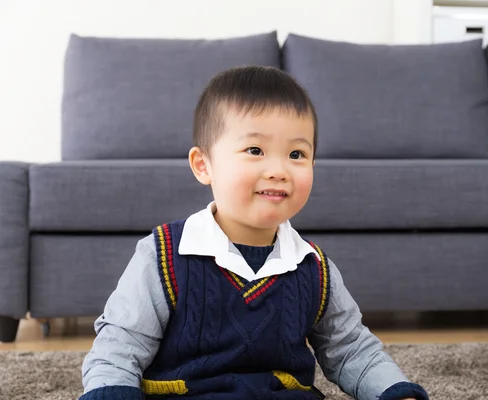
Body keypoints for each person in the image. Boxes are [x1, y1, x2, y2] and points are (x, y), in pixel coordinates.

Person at [79, 65, 429, 400]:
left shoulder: (314, 267)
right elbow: (119, 348)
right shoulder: (164, 255)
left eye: (296, 153)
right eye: (255, 150)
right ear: (204, 165)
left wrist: (395, 393)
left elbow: (351, 349)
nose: (278, 170)